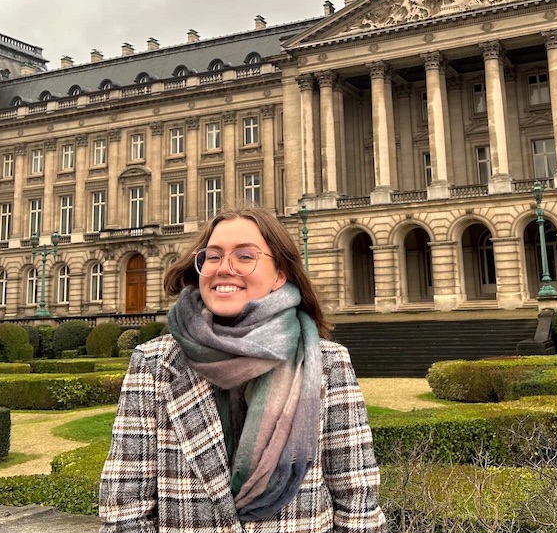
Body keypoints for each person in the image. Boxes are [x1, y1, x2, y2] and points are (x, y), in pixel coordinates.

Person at [99, 206, 388, 533]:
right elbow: (125, 513)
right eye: (213, 256)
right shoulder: (154, 363)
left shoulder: (328, 363)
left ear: (280, 273)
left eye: (245, 256)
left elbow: (358, 508)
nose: (225, 268)